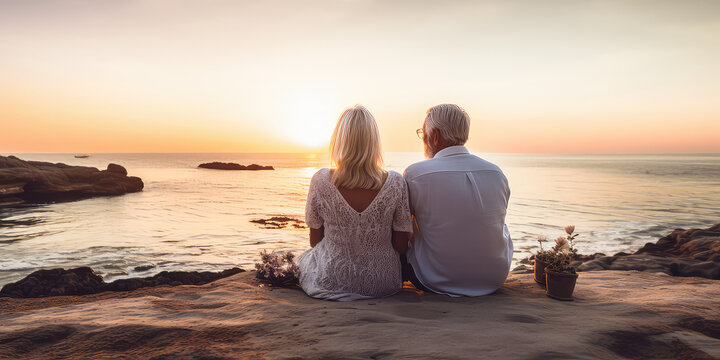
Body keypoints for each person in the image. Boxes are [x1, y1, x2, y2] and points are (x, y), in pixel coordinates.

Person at [296, 105, 412, 301]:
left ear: (339, 141)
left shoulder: (321, 179)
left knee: (299, 260)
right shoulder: (395, 182)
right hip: (383, 282)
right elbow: (401, 246)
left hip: (332, 279)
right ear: (374, 142)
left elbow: (315, 241)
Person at [402, 104, 513, 296]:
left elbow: (403, 233)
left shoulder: (415, 174)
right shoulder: (496, 173)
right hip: (494, 278)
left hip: (434, 279)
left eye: (423, 133)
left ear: (435, 136)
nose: (423, 139)